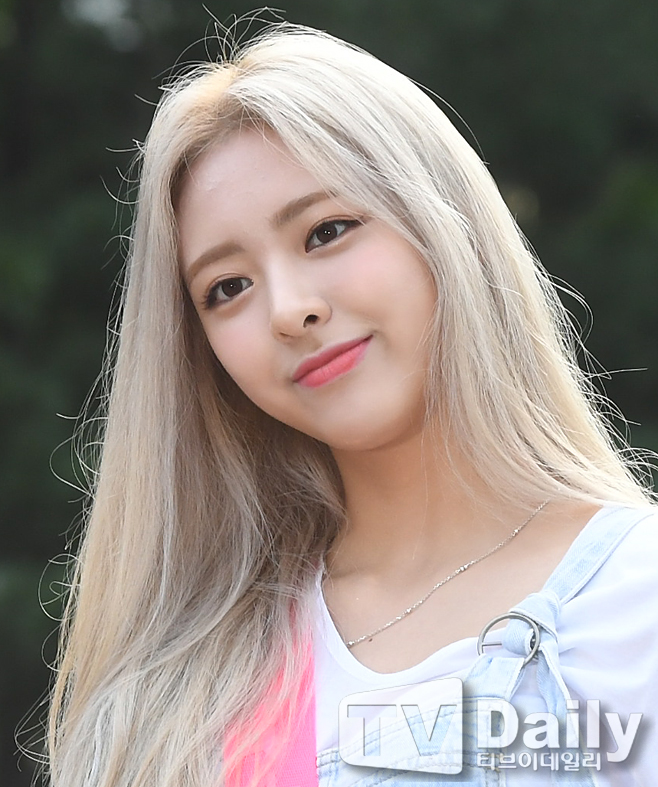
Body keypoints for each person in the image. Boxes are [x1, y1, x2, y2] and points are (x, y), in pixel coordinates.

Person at [47, 24, 657, 787]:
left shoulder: (635, 596)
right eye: (227, 287)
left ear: (443, 221)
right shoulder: (179, 691)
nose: (287, 309)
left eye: (326, 231)